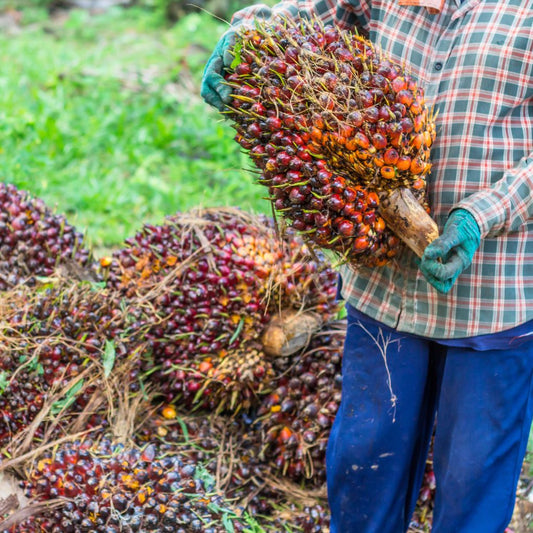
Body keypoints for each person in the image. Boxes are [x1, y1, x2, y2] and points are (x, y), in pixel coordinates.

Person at [201, 1, 533, 531]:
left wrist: (479, 216)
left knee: (473, 489)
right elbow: (304, 13)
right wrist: (247, 38)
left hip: (492, 292)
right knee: (364, 466)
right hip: (385, 291)